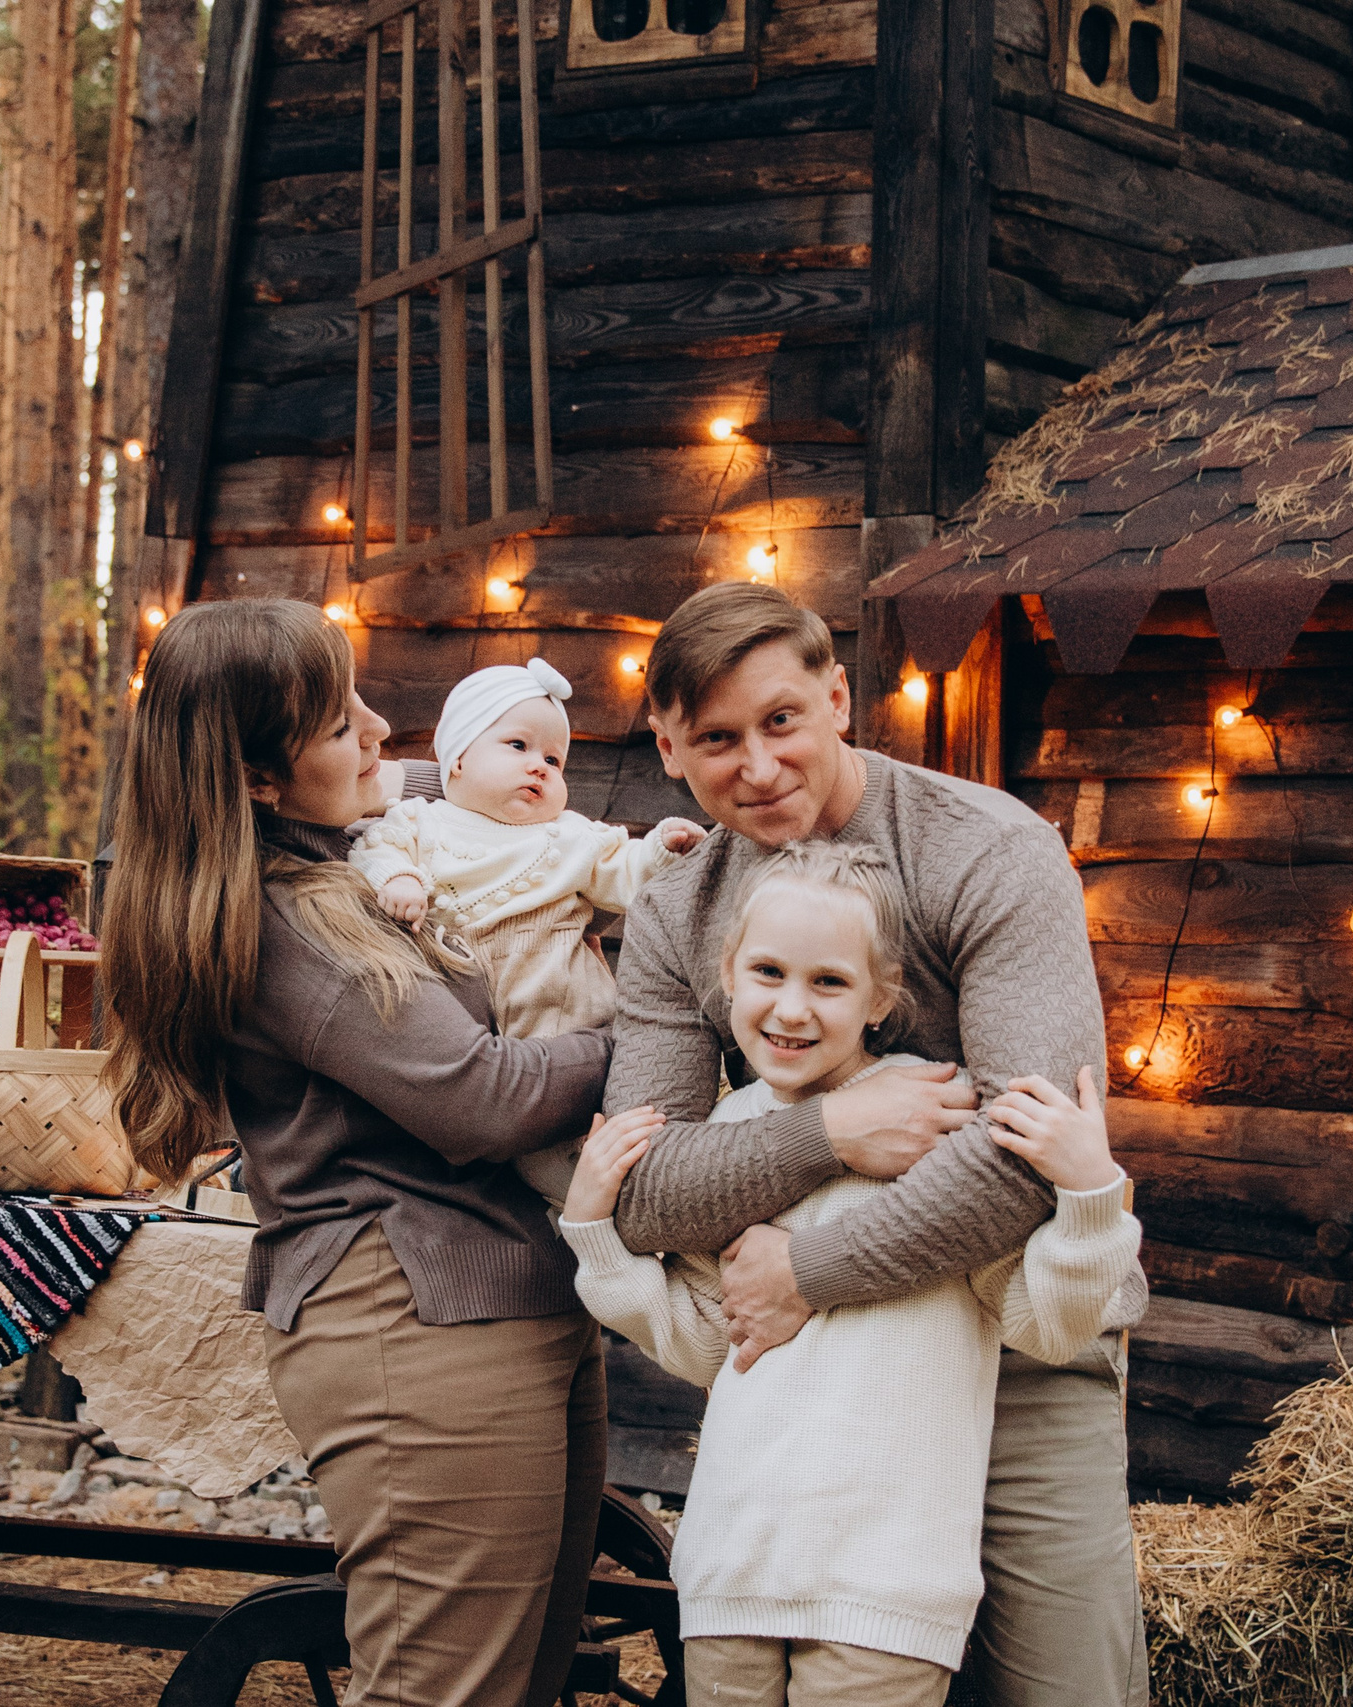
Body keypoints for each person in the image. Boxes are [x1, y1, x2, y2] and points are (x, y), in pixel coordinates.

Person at [603, 580, 1150, 1707]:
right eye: (715, 739)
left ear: (838, 697)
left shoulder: (986, 851)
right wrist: (827, 1132)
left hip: (1016, 1334)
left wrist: (807, 1269)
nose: (755, 767)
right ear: (668, 747)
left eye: (780, 721)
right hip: (820, 1386)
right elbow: (648, 1191)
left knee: (1064, 1685)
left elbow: (1025, 1150)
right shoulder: (672, 913)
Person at [96, 598, 618, 1707]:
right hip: (417, 1326)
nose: (382, 731)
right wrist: (649, 1033)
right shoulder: (294, 928)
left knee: (523, 1684)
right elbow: (480, 1097)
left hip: (511, 1305)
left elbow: (443, 778)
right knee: (445, 1690)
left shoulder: (354, 849)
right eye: (341, 726)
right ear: (252, 779)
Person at [350, 655, 701, 1201]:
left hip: (576, 1028)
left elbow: (623, 872)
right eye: (518, 746)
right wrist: (398, 878)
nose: (540, 766)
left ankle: (645, 1226)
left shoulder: (568, 836)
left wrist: (660, 849)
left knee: (618, 1163)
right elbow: (375, 849)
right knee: (544, 1182)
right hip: (485, 1059)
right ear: (458, 759)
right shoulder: (419, 821)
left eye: (555, 760)